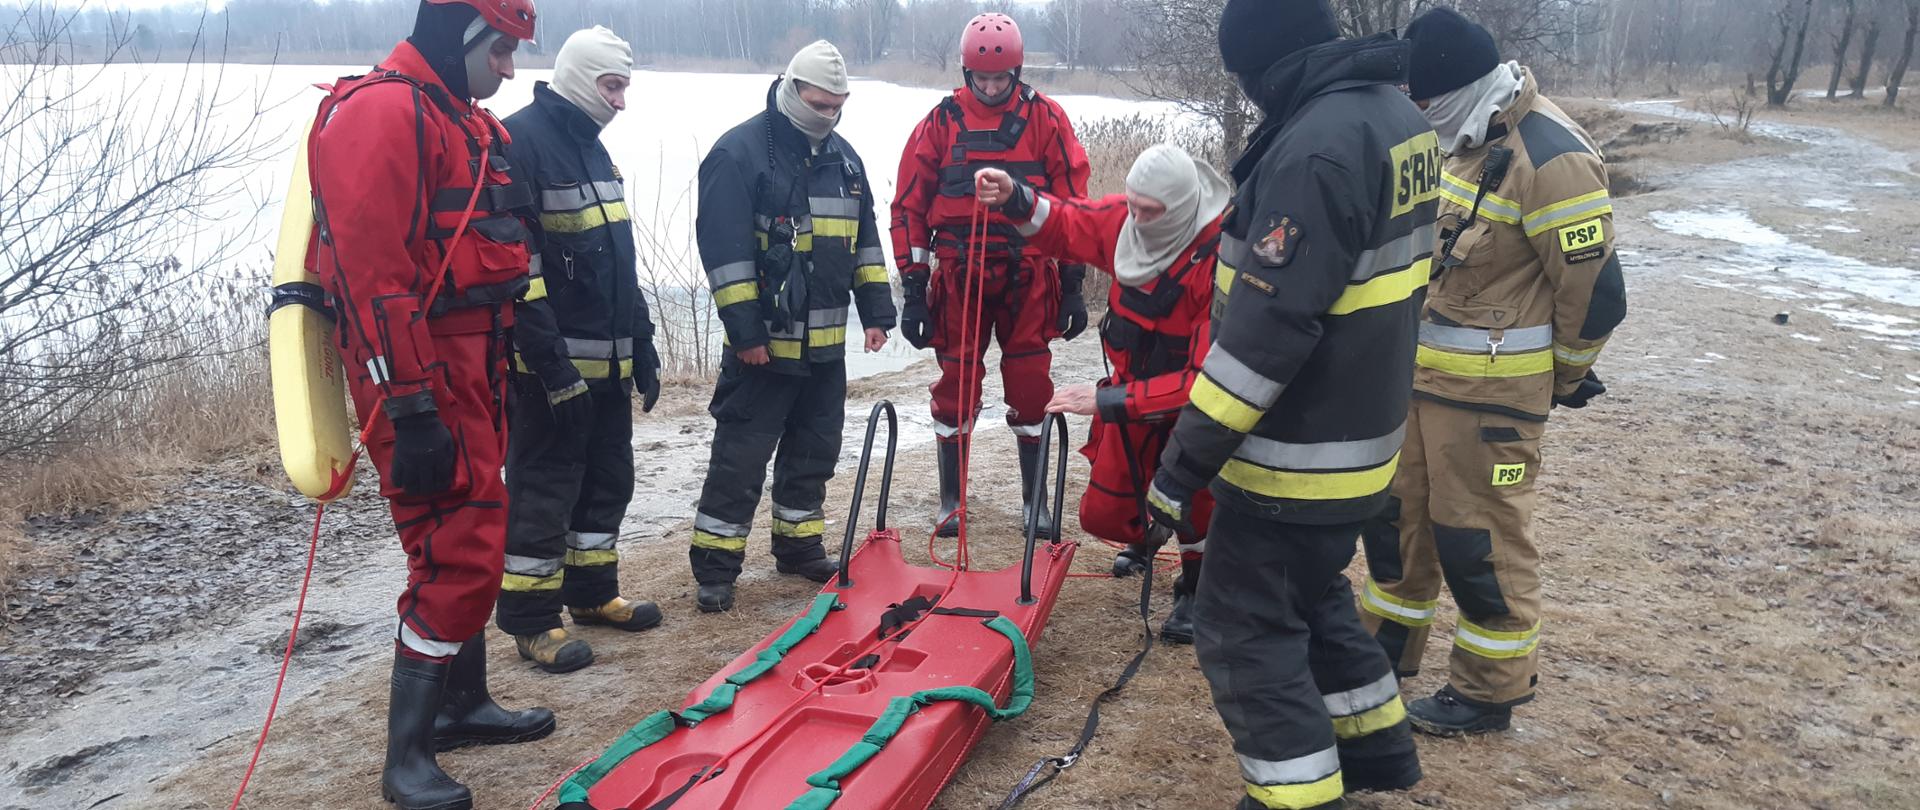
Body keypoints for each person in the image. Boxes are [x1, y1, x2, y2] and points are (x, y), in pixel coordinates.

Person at [1143, 0, 1432, 806]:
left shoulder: (1315, 151)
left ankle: (1296, 796)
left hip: (1294, 460)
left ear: (1268, 67)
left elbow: (1267, 336)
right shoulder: (1394, 117)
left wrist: (1180, 468)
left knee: (1243, 633)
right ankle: (1374, 758)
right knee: (1315, 600)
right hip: (1362, 441)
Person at [305, 0, 550, 806]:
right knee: (458, 549)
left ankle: (462, 705)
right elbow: (374, 282)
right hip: (422, 375)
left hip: (476, 364)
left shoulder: (460, 118)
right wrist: (410, 408)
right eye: (503, 53)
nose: (510, 73)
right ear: (461, 38)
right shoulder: (381, 115)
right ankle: (405, 757)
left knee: (473, 533)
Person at [1359, 7, 1626, 736]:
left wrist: (1564, 379)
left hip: (1492, 400)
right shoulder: (1462, 141)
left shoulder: (1551, 156)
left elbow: (1595, 293)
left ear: (1453, 89)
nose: (1413, 112)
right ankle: (1384, 656)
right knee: (1396, 527)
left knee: (1477, 540)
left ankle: (1488, 690)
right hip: (1419, 386)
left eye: (1420, 99)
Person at [973, 143, 1227, 644]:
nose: (1136, 217)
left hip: (1194, 410)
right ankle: (1147, 534)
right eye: (1131, 204)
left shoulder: (1220, 260)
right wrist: (1016, 198)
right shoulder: (1126, 222)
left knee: (1195, 503)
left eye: (1148, 212)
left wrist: (1107, 402)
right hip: (1131, 396)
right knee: (1104, 514)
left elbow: (1209, 383)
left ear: (1178, 210)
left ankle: (1200, 588)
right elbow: (1069, 222)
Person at [688, 40, 896, 613]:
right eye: (819, 103)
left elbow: (866, 243)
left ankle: (800, 546)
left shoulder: (846, 160)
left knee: (814, 450)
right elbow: (725, 257)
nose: (828, 115)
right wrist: (746, 333)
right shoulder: (739, 153)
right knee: (740, 457)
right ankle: (716, 566)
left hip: (826, 349)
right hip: (763, 349)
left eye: (838, 105)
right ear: (792, 89)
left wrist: (877, 311)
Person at [495, 25, 664, 674]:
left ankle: (592, 595)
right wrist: (551, 367)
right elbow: (519, 276)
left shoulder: (594, 151)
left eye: (624, 87)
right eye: (612, 86)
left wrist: (644, 345)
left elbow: (621, 262)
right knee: (544, 491)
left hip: (608, 370)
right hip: (547, 375)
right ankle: (533, 622)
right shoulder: (521, 144)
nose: (621, 102)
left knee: (607, 481)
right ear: (578, 78)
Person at [891, 13, 1091, 540]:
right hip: (958, 271)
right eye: (984, 78)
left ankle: (1035, 504)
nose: (993, 87)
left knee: (1030, 385)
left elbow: (1073, 203)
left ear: (1018, 72)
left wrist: (1072, 284)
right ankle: (951, 503)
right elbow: (909, 208)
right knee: (956, 385)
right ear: (967, 72)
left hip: (1028, 270)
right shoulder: (939, 123)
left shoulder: (1047, 119)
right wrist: (913, 288)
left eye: (1002, 78)